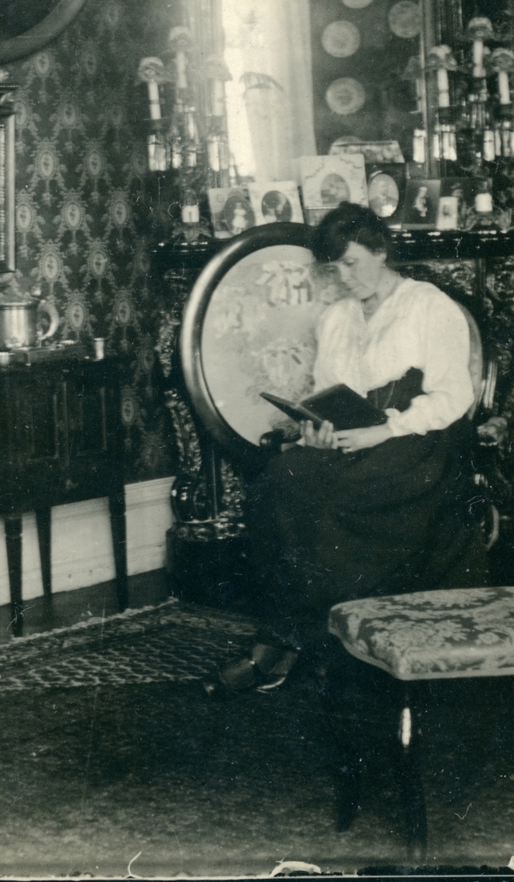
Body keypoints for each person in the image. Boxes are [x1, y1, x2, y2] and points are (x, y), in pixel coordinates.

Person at [203, 203, 487, 696]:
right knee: (280, 480)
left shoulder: (428, 306)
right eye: (334, 268)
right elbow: (328, 395)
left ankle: (292, 645)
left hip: (420, 442)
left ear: (381, 251)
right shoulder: (336, 318)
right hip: (354, 438)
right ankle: (292, 634)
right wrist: (316, 432)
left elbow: (452, 397)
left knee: (337, 495)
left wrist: (385, 431)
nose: (345, 277)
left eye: (352, 263)